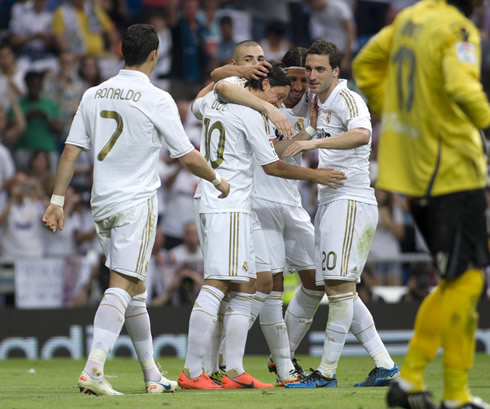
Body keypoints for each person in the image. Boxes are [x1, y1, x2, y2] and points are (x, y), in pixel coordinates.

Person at [42, 24, 230, 396]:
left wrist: (56, 201)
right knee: (122, 284)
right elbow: (188, 156)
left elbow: (70, 151)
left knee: (136, 288)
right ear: (155, 55)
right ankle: (93, 368)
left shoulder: (93, 94)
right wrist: (217, 180)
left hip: (102, 203)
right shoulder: (157, 98)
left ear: (120, 51)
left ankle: (151, 375)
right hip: (135, 203)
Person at [352, 0, 490, 408]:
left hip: (415, 167)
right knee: (467, 281)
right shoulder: (459, 31)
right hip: (449, 170)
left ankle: (432, 388)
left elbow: (366, 63)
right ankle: (426, 386)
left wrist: (396, 116)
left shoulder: (410, 19)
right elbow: (462, 87)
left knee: (458, 280)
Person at [178, 62, 345, 390]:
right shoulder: (252, 115)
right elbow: (273, 167)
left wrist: (260, 97)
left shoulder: (215, 100)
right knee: (217, 284)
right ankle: (191, 371)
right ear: (263, 84)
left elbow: (219, 84)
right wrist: (316, 175)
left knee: (246, 288)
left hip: (229, 205)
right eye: (279, 96)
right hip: (230, 203)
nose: (281, 103)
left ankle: (235, 371)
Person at [281, 40, 399, 389]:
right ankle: (384, 364)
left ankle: (326, 373)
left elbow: (363, 134)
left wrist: (313, 143)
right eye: (310, 69)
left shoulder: (348, 99)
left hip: (350, 200)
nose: (313, 76)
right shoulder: (320, 102)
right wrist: (312, 131)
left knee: (336, 286)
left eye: (320, 69)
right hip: (331, 201)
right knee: (340, 288)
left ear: (336, 70)